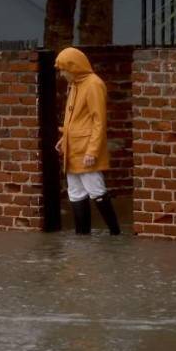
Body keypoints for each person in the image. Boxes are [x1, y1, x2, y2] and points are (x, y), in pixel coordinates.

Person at [54, 47, 121, 235]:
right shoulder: (75, 85)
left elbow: (98, 121)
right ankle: (82, 235)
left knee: (96, 189)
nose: (61, 74)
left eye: (63, 69)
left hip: (85, 149)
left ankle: (114, 233)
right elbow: (77, 120)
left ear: (73, 67)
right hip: (73, 148)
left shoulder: (93, 84)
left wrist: (92, 151)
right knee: (75, 192)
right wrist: (64, 138)